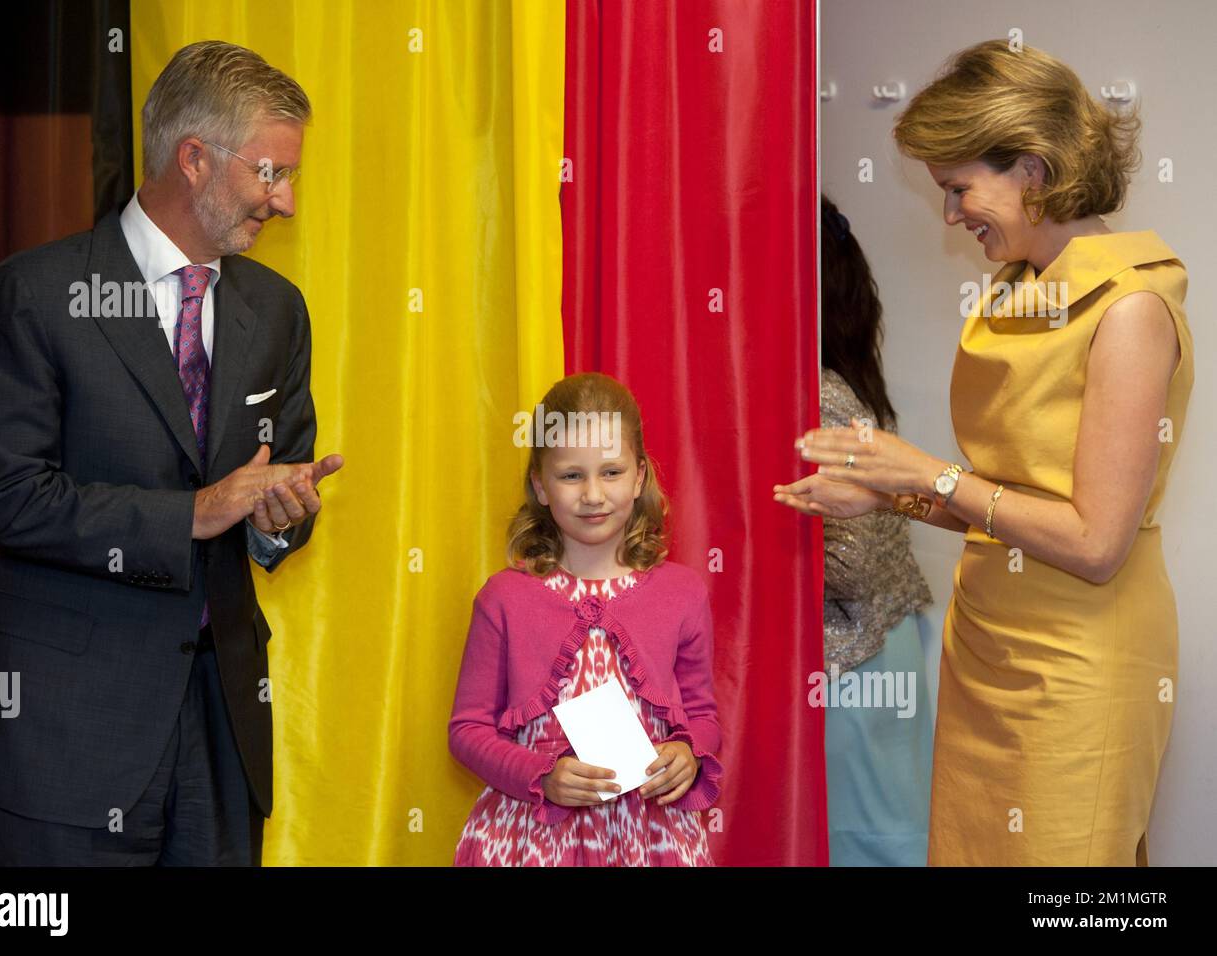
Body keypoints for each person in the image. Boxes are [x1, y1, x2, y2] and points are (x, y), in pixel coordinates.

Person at [782, 40, 1193, 865]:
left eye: (959, 189)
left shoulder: (1129, 311)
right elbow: (1004, 503)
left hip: (1078, 666)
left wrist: (927, 471)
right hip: (988, 650)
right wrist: (887, 493)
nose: (951, 216)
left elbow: (1093, 542)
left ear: (1034, 171)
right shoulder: (1017, 291)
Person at [0, 40, 343, 866]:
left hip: (222, 731)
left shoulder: (276, 310)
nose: (288, 201)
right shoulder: (34, 296)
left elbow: (276, 483)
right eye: (270, 173)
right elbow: (2, 496)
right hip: (65, 737)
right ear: (194, 159)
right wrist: (192, 515)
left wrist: (278, 517)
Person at [448, 372, 722, 866]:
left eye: (611, 472)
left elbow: (702, 715)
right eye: (572, 475)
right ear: (541, 485)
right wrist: (540, 774)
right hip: (531, 838)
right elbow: (468, 731)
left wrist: (690, 753)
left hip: (649, 837)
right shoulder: (504, 598)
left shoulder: (682, 593)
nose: (593, 494)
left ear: (640, 476)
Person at [776, 195, 935, 865]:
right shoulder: (843, 382)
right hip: (880, 652)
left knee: (863, 846)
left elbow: (851, 565)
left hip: (853, 663)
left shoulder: (816, 394)